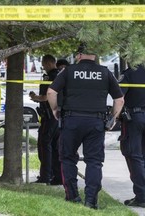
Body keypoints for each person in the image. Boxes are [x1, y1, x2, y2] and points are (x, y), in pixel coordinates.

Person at [47, 42, 124, 209]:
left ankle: (72, 196)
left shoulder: (68, 71)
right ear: (95, 56)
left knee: (67, 158)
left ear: (79, 55)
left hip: (71, 120)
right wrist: (112, 119)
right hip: (96, 122)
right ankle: (91, 201)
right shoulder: (105, 72)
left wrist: (55, 110)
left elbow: (51, 92)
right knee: (94, 161)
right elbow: (120, 99)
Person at [29, 54, 62, 185]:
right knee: (55, 147)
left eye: (43, 65)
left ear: (48, 64)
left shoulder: (50, 76)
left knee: (44, 145)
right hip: (57, 116)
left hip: (49, 116)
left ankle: (45, 176)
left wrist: (36, 97)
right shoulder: (61, 75)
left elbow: (47, 96)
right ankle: (57, 176)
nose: (43, 68)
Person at [118, 64, 145, 208]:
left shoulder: (130, 73)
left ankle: (142, 196)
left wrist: (113, 117)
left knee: (134, 155)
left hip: (135, 118)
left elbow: (119, 97)